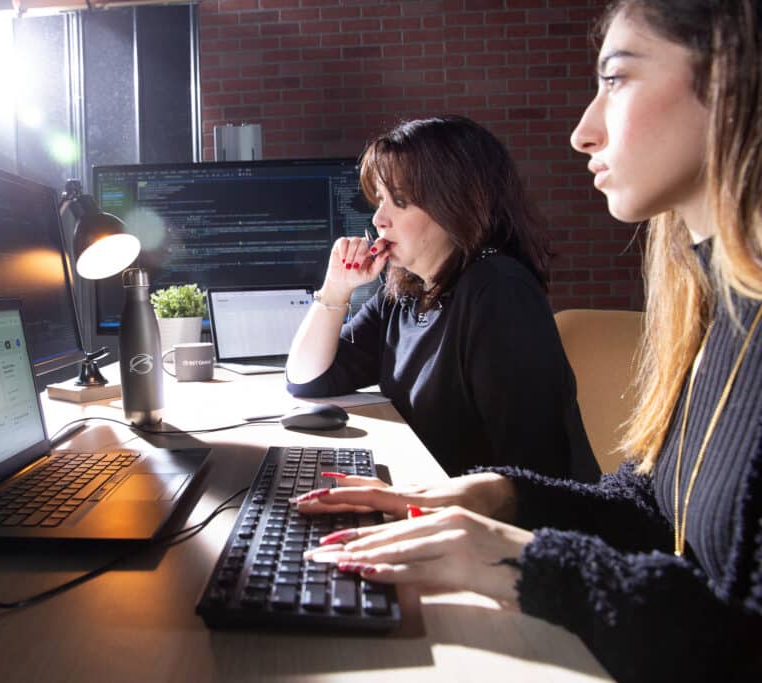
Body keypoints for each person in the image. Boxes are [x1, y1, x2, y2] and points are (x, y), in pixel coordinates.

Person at [294, 1, 762, 680]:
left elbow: (740, 641)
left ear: (734, 80)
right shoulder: (712, 307)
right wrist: (493, 497)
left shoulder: (496, 291)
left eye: (617, 78)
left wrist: (503, 552)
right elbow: (652, 508)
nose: (582, 131)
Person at [286, 116, 599, 481]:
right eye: (381, 200)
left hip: (500, 523)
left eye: (399, 201)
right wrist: (336, 289)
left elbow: (534, 473)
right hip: (435, 501)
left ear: (455, 203)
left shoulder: (499, 293)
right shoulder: (406, 292)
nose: (379, 218)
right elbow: (308, 379)